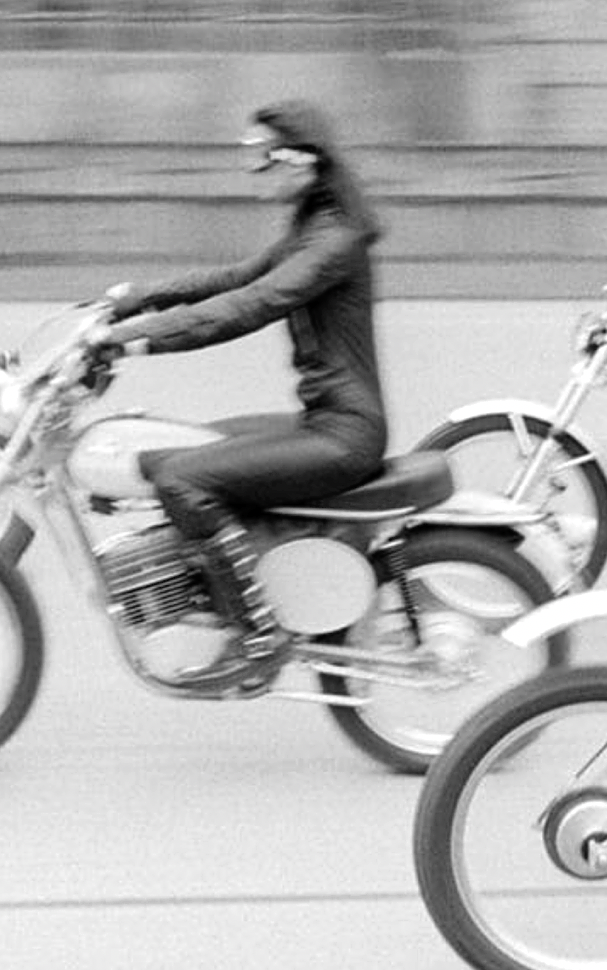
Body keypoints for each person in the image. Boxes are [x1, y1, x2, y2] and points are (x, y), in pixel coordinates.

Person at [95, 100, 390, 689]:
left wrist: (135, 342)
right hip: (324, 419)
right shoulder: (312, 228)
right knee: (198, 445)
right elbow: (235, 279)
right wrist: (137, 299)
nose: (254, 170)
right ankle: (222, 589)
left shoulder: (334, 241)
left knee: (183, 480)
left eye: (262, 156)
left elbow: (250, 305)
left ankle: (258, 634)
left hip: (344, 435)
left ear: (302, 159)